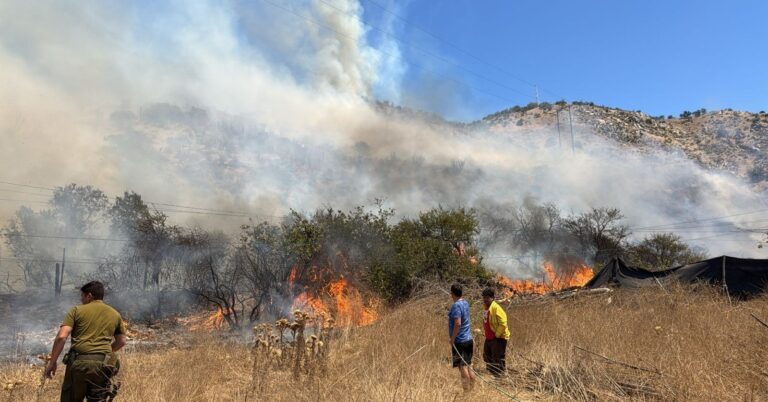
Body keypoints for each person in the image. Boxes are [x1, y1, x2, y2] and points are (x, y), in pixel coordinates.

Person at [44, 281, 127, 401]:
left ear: (89, 296)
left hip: (79, 364)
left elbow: (62, 337)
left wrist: (52, 362)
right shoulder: (115, 314)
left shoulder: (76, 311)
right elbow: (122, 341)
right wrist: (102, 354)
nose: (81, 300)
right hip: (103, 365)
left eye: (82, 296)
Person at [448, 283, 475, 391]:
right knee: (469, 366)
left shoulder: (456, 306)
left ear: (452, 293)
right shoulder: (465, 303)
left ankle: (467, 393)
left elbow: (458, 323)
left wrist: (452, 338)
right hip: (469, 339)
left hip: (460, 341)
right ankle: (473, 391)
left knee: (462, 367)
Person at [481, 287, 510, 377]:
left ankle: (500, 376)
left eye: (487, 297)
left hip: (498, 337)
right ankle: (492, 373)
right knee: (487, 355)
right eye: (484, 297)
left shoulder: (496, 308)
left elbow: (503, 322)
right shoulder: (486, 307)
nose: (485, 299)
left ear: (492, 298)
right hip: (489, 337)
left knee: (497, 358)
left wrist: (497, 335)